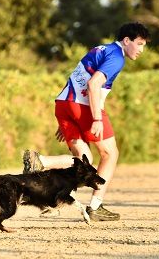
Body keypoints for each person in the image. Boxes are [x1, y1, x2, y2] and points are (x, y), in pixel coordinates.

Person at [23, 22, 150, 222]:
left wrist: (67, 117)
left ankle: (42, 162)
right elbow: (93, 84)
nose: (142, 49)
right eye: (140, 44)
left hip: (64, 103)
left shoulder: (101, 49)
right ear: (126, 41)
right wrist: (97, 118)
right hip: (83, 107)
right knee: (110, 153)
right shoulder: (116, 57)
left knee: (84, 161)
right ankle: (96, 206)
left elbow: (79, 77)